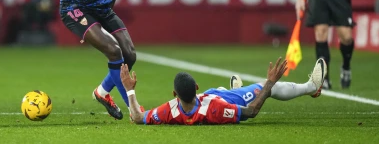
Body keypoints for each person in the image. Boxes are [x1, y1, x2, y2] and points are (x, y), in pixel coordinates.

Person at [119, 57, 327, 125]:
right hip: (220, 99)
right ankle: (312, 87)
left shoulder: (169, 110)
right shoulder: (215, 107)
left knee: (218, 90)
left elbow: (137, 117)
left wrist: (130, 90)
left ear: (175, 95)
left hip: (213, 96)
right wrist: (270, 83)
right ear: (197, 89)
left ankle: (232, 91)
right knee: (265, 87)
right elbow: (251, 111)